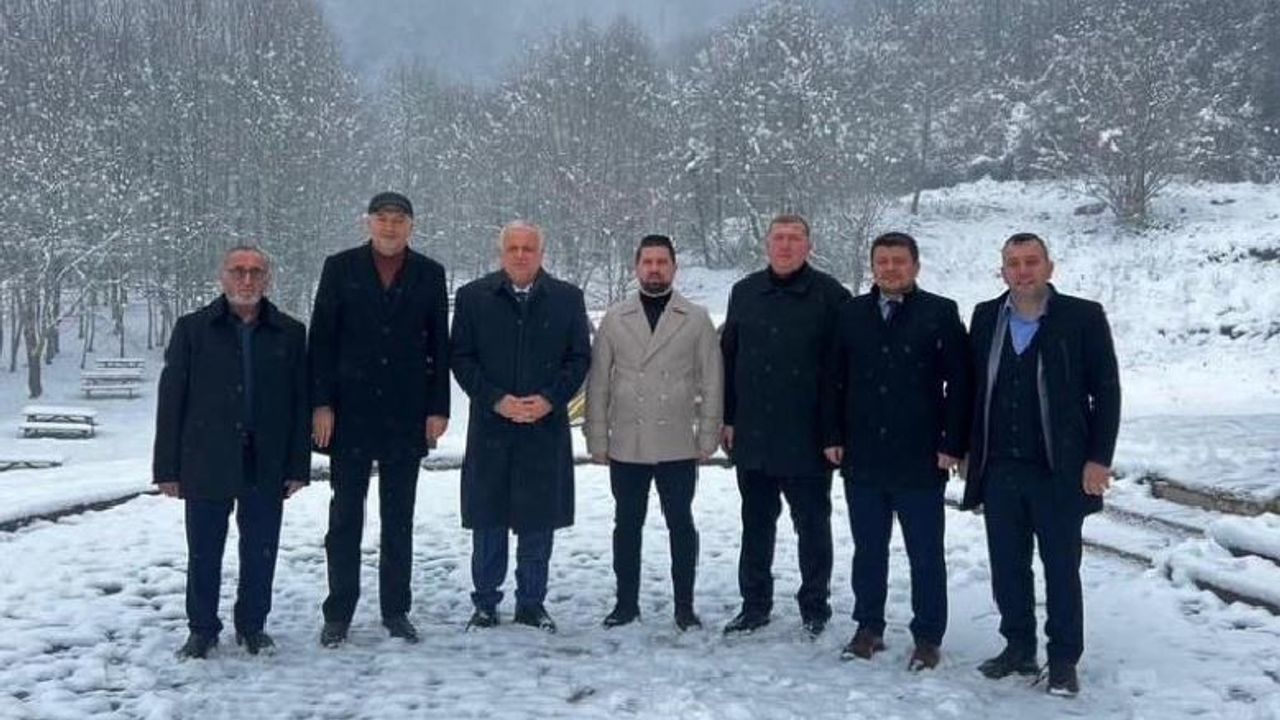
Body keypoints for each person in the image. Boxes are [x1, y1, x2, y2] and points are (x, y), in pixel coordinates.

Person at [962, 232, 1120, 697]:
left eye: (1031, 261)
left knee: (1061, 568)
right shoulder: (986, 316)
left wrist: (1098, 458)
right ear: (1002, 271)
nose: (1023, 271)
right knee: (1007, 566)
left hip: (1059, 468)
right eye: (1013, 263)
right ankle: (1018, 646)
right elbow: (972, 389)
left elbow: (1106, 390)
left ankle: (1064, 658)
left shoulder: (1082, 317)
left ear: (1049, 267)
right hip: (1000, 468)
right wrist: (968, 448)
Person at [822, 232, 971, 670]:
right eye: (882, 261)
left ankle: (928, 636)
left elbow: (961, 383)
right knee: (868, 549)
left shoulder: (940, 312)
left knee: (925, 553)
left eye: (899, 261)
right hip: (863, 454)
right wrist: (832, 435)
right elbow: (832, 380)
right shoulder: (850, 313)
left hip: (920, 456)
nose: (890, 268)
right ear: (872, 266)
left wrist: (952, 442)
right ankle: (868, 627)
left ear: (915, 266)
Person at [153, 245, 310, 659]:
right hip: (206, 457)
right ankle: (202, 629)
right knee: (204, 550)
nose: (247, 279)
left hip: (267, 459)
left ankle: (253, 625)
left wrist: (298, 464)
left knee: (261, 549)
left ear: (267, 279)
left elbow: (300, 402)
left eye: (256, 272)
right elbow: (172, 400)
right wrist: (166, 467)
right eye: (238, 270)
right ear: (222, 277)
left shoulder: (290, 332)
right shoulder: (193, 329)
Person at [309, 191, 451, 647]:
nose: (390, 227)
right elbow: (321, 339)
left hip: (406, 412)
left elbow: (439, 346)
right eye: (382, 219)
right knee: (345, 518)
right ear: (368, 222)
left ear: (411, 226)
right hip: (349, 412)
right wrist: (321, 403)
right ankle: (339, 611)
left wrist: (438, 408)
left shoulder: (430, 273)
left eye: (399, 220)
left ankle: (396, 609)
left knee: (399, 518)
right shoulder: (340, 268)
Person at [451, 220, 591, 633]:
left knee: (538, 521)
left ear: (541, 253)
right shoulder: (474, 297)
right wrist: (496, 399)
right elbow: (461, 357)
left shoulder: (566, 298)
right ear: (501, 253)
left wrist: (549, 399)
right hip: (491, 426)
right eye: (513, 248)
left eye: (528, 248)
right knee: (488, 519)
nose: (520, 255)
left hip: (544, 427)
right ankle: (485, 603)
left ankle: (531, 602)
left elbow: (579, 358)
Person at [720, 214, 851, 637]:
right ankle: (754, 604)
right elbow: (729, 359)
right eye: (779, 238)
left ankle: (815, 605)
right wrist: (727, 417)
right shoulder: (744, 292)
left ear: (808, 246)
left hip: (808, 435)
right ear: (767, 244)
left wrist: (834, 432)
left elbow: (841, 371)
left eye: (795, 238)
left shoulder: (831, 295)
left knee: (812, 526)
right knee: (756, 524)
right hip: (754, 431)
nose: (786, 245)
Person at [584, 234, 723, 631]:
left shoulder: (695, 318)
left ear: (674, 267)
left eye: (662, 262)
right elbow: (599, 383)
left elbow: (712, 381)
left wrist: (708, 435)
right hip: (628, 440)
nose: (655, 269)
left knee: (681, 523)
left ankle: (684, 607)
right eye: (648, 262)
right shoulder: (615, 318)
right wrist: (597, 437)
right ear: (636, 268)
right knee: (627, 524)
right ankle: (625, 604)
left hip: (676, 439)